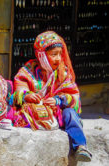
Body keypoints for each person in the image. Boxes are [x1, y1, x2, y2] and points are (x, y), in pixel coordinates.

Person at [12, 31, 92, 162]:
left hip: (57, 113)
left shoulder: (62, 73)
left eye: (60, 54)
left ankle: (80, 146)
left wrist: (58, 100)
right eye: (54, 55)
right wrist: (27, 96)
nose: (59, 58)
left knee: (70, 114)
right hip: (36, 113)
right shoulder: (27, 70)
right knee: (16, 114)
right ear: (41, 55)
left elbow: (74, 97)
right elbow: (19, 89)